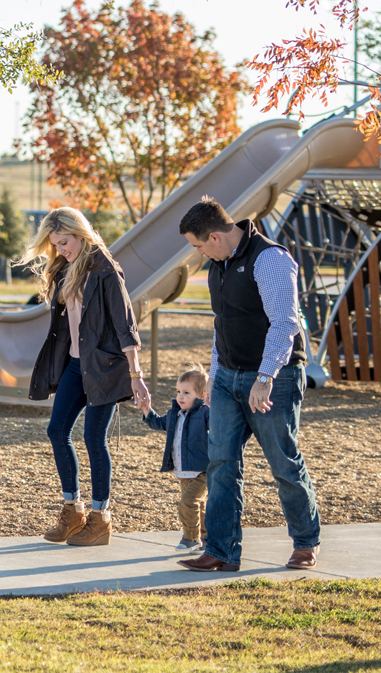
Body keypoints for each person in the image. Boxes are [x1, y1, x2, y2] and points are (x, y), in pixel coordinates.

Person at [177, 196, 321, 572]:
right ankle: (221, 551)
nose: (199, 255)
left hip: (276, 377)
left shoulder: (269, 259)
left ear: (215, 236)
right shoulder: (219, 265)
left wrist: (264, 377)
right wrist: (213, 376)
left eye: (198, 246)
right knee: (221, 462)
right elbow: (220, 325)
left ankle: (305, 543)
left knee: (283, 462)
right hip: (227, 376)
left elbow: (285, 323)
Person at [22, 207, 150, 547]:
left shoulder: (106, 270)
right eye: (55, 246)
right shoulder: (67, 267)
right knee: (57, 431)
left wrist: (136, 375)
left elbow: (126, 325)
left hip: (107, 368)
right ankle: (72, 509)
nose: (61, 250)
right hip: (76, 366)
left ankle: (100, 518)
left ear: (80, 233)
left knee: (94, 439)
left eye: (64, 242)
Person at [140, 369, 210, 553]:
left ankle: (191, 538)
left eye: (187, 393)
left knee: (187, 503)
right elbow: (158, 423)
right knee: (198, 505)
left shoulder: (204, 413)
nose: (181, 396)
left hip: (203, 470)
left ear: (202, 396)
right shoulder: (174, 414)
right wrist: (147, 409)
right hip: (183, 471)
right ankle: (207, 539)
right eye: (178, 391)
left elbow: (219, 425)